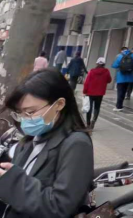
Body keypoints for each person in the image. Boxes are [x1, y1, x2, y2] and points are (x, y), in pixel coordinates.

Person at [0, 69, 93, 218]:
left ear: (59, 104)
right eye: (20, 113)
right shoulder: (31, 139)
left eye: (30, 112)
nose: (24, 119)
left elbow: (60, 206)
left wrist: (10, 181)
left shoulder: (77, 144)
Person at [82, 57, 111, 130]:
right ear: (104, 64)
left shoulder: (91, 71)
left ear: (97, 63)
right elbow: (109, 80)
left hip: (90, 93)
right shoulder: (106, 71)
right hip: (100, 93)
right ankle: (93, 121)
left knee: (89, 108)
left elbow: (86, 82)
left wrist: (84, 91)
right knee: (97, 108)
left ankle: (88, 124)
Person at [111, 46, 133, 112]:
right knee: (124, 91)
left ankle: (118, 106)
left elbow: (114, 65)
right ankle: (120, 105)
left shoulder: (120, 56)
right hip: (129, 77)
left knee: (120, 91)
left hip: (121, 77)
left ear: (122, 50)